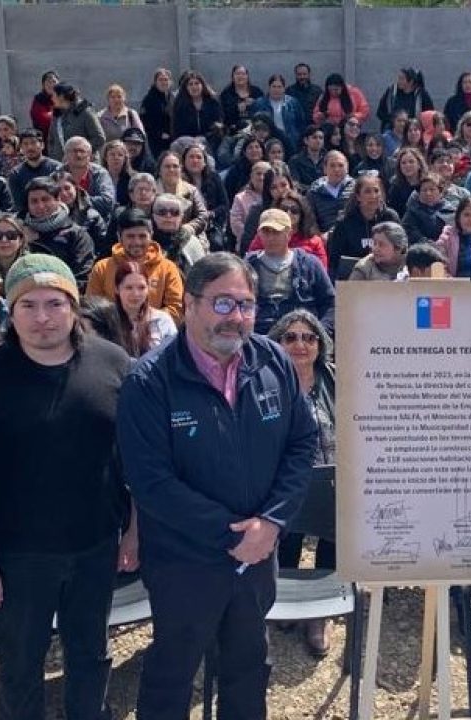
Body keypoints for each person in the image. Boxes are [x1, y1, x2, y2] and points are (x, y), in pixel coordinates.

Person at [117, 251, 317, 720]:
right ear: (189, 303)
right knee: (172, 672)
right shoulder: (150, 381)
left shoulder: (272, 361)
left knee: (248, 666)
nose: (236, 317)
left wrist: (271, 523)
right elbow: (150, 482)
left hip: (258, 555)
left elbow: (302, 443)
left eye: (245, 304)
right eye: (223, 303)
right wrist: (232, 535)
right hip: (185, 561)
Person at [0, 253, 133, 720]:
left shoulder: (112, 364)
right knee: (20, 664)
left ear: (73, 306)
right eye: (28, 305)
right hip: (17, 555)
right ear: (11, 309)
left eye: (54, 303)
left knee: (90, 653)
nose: (42, 317)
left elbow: (136, 459)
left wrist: (134, 531)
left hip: (95, 546)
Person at [267, 309, 337, 655]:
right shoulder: (267, 382)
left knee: (331, 542)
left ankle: (320, 614)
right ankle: (284, 600)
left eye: (309, 338)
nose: (300, 344)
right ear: (278, 343)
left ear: (319, 345)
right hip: (288, 482)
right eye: (291, 337)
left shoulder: (334, 378)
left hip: (333, 477)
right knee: (288, 542)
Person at [246, 208, 335, 335]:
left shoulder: (310, 264)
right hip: (259, 335)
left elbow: (330, 303)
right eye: (266, 232)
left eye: (276, 232)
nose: (270, 237)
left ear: (289, 233)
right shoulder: (248, 265)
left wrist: (320, 333)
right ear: (259, 234)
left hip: (302, 335)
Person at [88, 208, 184, 324]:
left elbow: (176, 309)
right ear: (119, 237)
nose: (137, 242)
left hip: (155, 331)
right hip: (111, 331)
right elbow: (92, 307)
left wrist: (143, 321)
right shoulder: (102, 268)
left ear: (151, 235)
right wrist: (121, 323)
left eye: (142, 236)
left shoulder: (168, 268)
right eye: (130, 236)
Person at [20, 176, 96, 290]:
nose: (40, 206)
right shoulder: (18, 233)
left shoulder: (77, 234)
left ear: (57, 199)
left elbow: (82, 276)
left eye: (45, 199)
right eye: (34, 201)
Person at [110, 260, 178, 357]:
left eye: (141, 288)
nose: (135, 294)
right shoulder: (106, 321)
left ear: (148, 288)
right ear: (117, 289)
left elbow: (175, 356)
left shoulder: (162, 321)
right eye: (129, 288)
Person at [247, 192, 328, 270]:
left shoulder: (315, 241)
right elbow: (250, 264)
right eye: (284, 209)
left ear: (302, 214)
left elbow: (321, 270)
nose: (289, 213)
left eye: (294, 210)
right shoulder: (264, 235)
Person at [6, 128, 61, 210]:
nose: (30, 147)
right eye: (25, 144)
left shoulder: (56, 168)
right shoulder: (16, 174)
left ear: (42, 145)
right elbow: (19, 204)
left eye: (33, 143)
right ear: (21, 148)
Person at [47, 83, 105, 161]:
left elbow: (99, 138)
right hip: (61, 164)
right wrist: (54, 156)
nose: (51, 99)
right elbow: (51, 140)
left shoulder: (85, 113)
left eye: (53, 95)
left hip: (85, 164)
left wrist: (80, 154)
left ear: (61, 97)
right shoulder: (57, 115)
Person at [250, 74, 306, 150]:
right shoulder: (259, 104)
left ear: (284, 88)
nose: (276, 90)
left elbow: (301, 124)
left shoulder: (293, 103)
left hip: (290, 142)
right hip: (267, 141)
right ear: (269, 88)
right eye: (274, 86)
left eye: (279, 87)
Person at [171, 70, 224, 144]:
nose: (194, 87)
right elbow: (177, 130)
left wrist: (203, 139)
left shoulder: (213, 102)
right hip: (187, 141)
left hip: (209, 140)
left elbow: (218, 125)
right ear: (186, 88)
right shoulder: (180, 104)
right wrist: (192, 141)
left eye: (197, 83)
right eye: (190, 84)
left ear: (202, 85)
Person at [141, 68, 175, 159]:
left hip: (172, 139)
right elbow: (145, 121)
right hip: (156, 141)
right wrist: (159, 134)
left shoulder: (173, 98)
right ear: (155, 82)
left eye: (166, 79)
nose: (163, 82)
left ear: (170, 82)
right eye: (160, 80)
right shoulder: (149, 99)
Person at [30, 70, 59, 142]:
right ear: (43, 85)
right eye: (48, 82)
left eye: (54, 82)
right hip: (45, 138)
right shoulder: (39, 99)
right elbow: (43, 119)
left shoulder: (63, 97)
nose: (51, 85)